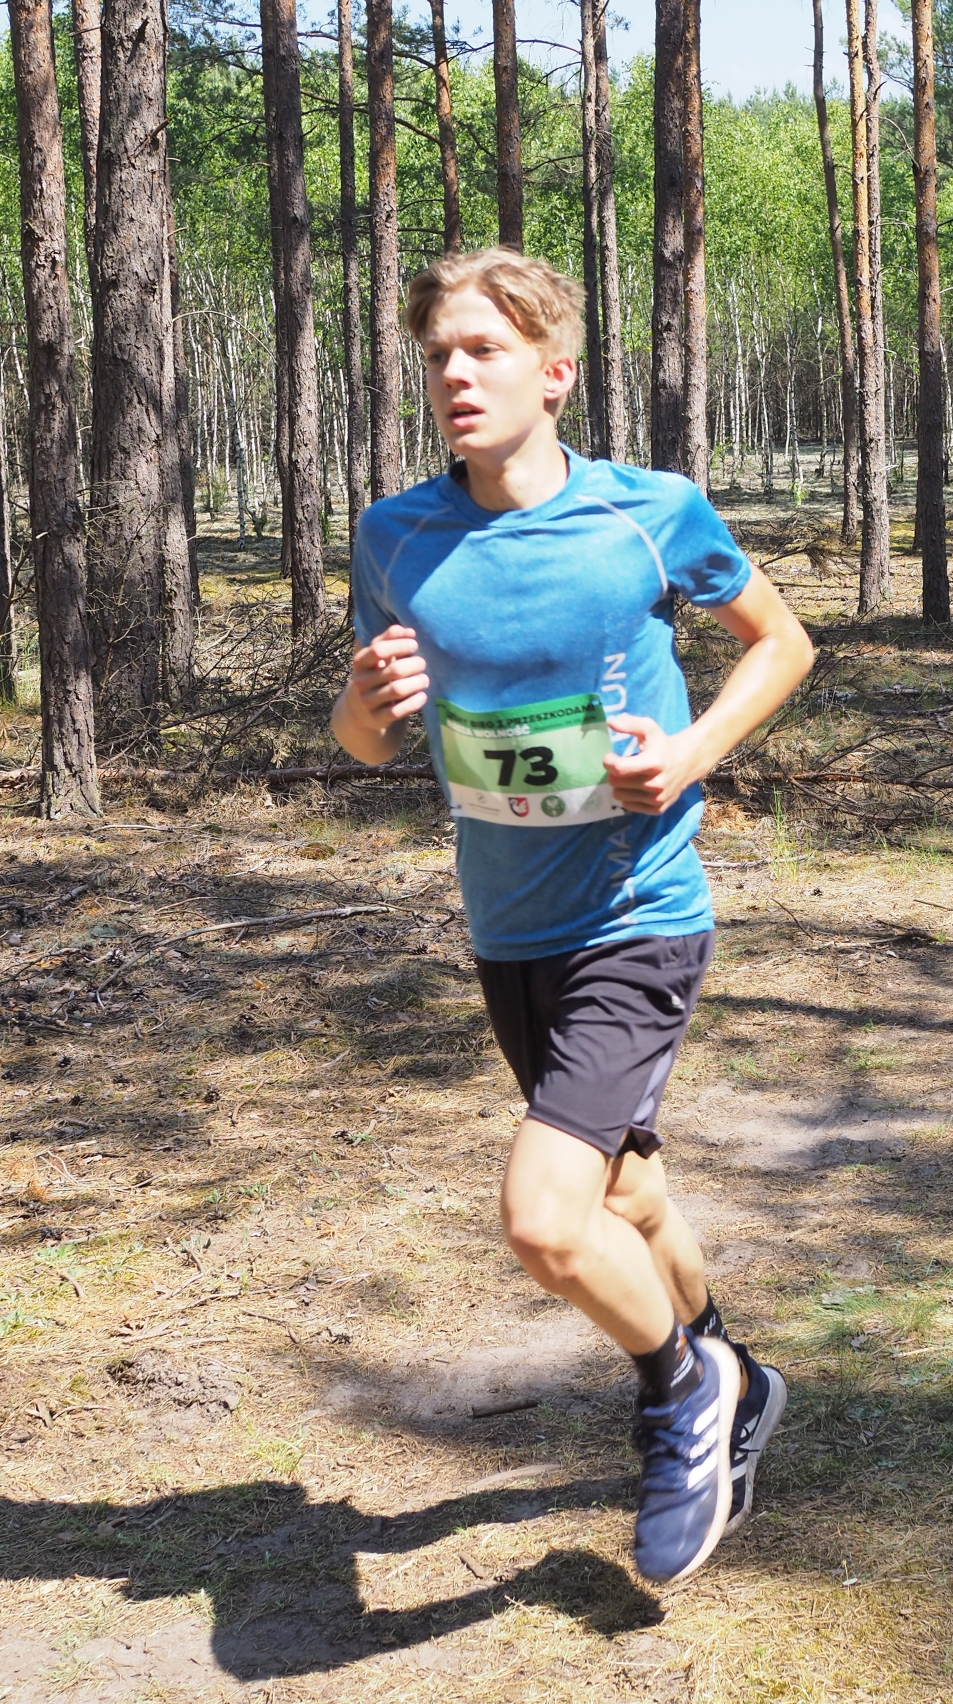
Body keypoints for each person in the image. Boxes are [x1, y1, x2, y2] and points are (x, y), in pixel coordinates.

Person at [332, 247, 814, 1586]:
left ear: (554, 373)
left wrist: (692, 751)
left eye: (483, 350)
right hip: (509, 928)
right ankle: (739, 1372)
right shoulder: (397, 537)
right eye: (438, 354)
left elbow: (782, 643)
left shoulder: (647, 514)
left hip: (638, 911)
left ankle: (682, 1392)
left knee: (548, 1221)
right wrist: (364, 713)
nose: (455, 374)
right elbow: (367, 737)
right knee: (626, 1190)